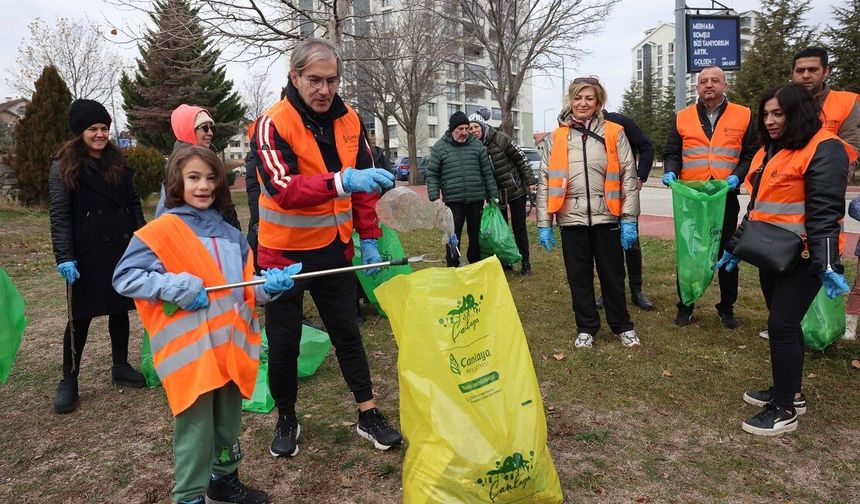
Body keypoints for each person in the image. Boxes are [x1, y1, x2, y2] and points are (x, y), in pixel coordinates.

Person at [113, 146, 297, 504]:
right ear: (176, 181)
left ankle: (223, 481)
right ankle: (189, 496)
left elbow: (242, 289)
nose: (203, 186)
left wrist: (267, 288)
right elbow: (125, 277)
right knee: (196, 429)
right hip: (191, 354)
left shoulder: (231, 235)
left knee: (227, 421)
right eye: (194, 177)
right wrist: (174, 286)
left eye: (211, 178)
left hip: (228, 348)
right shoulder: (159, 232)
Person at [249, 37, 401, 458]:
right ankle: (286, 417)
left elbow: (366, 184)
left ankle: (368, 413)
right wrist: (341, 181)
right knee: (284, 343)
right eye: (314, 80)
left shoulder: (350, 119)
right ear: (295, 77)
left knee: (347, 333)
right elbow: (282, 188)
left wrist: (370, 238)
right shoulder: (270, 123)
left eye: (332, 80)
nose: (324, 89)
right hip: (283, 258)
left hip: (335, 248)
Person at [715, 83, 855, 436]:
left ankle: (784, 410)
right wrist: (735, 245)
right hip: (771, 252)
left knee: (780, 326)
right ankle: (790, 392)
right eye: (766, 114)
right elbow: (757, 206)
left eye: (779, 113)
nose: (770, 120)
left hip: (805, 256)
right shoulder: (772, 149)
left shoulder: (826, 147)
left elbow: (825, 211)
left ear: (799, 112)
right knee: (785, 326)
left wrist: (826, 262)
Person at [48, 98, 147, 414]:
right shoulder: (63, 166)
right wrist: (65, 256)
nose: (100, 134)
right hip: (85, 252)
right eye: (93, 128)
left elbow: (133, 203)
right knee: (79, 317)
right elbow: (60, 214)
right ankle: (69, 380)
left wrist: (144, 240)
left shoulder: (118, 161)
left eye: (104, 128)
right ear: (80, 132)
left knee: (119, 308)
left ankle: (120, 365)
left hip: (120, 248)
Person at [536, 77, 641, 349]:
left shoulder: (614, 132)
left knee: (613, 276)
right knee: (579, 278)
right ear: (570, 100)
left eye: (589, 98)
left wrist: (629, 219)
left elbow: (628, 178)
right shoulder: (556, 138)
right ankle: (586, 327)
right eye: (578, 98)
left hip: (607, 217)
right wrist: (544, 223)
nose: (582, 103)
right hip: (571, 219)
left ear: (598, 102)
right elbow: (545, 181)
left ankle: (622, 326)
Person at [662, 66, 757, 329]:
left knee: (727, 250)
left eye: (715, 80)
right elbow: (672, 152)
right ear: (697, 87)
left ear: (725, 85)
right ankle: (686, 305)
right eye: (703, 81)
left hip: (725, 195)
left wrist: (737, 176)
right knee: (689, 251)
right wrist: (671, 171)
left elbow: (751, 153)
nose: (709, 85)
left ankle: (726, 307)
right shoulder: (682, 117)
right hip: (692, 196)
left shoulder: (743, 115)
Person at [791, 46, 860, 341]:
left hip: (825, 197)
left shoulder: (845, 102)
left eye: (813, 69)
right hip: (790, 196)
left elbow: (851, 148)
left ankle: (824, 328)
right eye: (800, 70)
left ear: (826, 71)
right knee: (789, 256)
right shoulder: (787, 101)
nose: (806, 75)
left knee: (825, 255)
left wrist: (827, 186)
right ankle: (790, 322)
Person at [468, 110, 537, 275]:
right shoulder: (474, 147)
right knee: (501, 229)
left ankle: (525, 262)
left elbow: (521, 159)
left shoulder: (500, 138)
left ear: (483, 126)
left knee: (519, 228)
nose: (473, 131)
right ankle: (506, 260)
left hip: (515, 190)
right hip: (496, 195)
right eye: (470, 128)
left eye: (476, 127)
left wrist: (530, 181)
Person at [426, 111, 499, 267]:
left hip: (476, 200)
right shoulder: (440, 147)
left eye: (467, 128)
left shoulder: (477, 146)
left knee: (475, 235)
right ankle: (452, 264)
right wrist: (434, 197)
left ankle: (475, 263)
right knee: (453, 235)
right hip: (454, 202)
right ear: (452, 129)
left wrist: (493, 194)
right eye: (460, 129)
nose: (465, 132)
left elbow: (487, 172)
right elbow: (432, 174)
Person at [156, 104, 242, 230]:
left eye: (211, 128)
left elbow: (225, 206)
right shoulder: (177, 166)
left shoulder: (209, 159)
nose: (210, 133)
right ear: (188, 130)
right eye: (204, 128)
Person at [601, 110, 655, 310]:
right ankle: (609, 291)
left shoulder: (620, 122)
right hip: (597, 195)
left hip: (623, 192)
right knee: (605, 246)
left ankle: (636, 290)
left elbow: (646, 146)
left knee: (631, 244)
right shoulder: (581, 126)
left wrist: (640, 176)